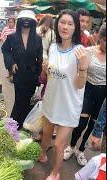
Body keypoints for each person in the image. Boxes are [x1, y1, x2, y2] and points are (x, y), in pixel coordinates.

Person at [39, 9, 89, 180]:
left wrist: (82, 68)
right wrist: (45, 70)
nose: (65, 27)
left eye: (70, 23)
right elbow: (49, 77)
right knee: (46, 137)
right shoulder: (53, 48)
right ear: (56, 24)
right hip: (51, 102)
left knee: (60, 145)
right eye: (62, 22)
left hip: (69, 106)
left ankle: (55, 173)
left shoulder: (81, 51)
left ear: (76, 27)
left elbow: (80, 84)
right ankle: (44, 152)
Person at [63, 23, 106, 166]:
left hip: (103, 95)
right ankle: (72, 146)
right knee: (81, 123)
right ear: (100, 37)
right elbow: (74, 66)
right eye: (105, 40)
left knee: (93, 125)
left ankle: (81, 151)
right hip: (87, 90)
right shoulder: (88, 51)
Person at [1, 10, 43, 129]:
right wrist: (11, 63)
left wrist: (40, 76)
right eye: (23, 19)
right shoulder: (12, 37)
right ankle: (14, 125)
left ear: (33, 22)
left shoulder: (37, 39)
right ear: (19, 22)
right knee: (20, 100)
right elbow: (5, 50)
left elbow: (39, 58)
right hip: (19, 75)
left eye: (28, 19)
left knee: (29, 101)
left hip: (32, 76)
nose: (26, 21)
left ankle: (24, 125)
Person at [34, 14, 56, 141]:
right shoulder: (52, 33)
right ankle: (47, 130)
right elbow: (52, 49)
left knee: (39, 83)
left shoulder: (36, 30)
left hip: (35, 60)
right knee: (45, 87)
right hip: (46, 61)